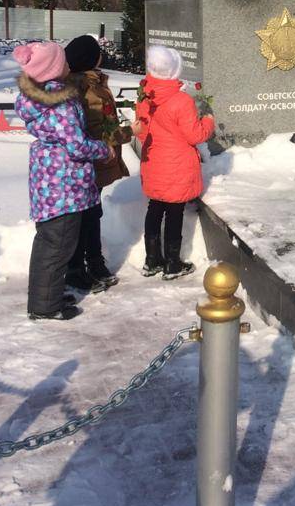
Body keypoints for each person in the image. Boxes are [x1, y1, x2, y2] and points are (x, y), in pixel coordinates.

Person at [13, 42, 114, 320]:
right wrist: (104, 150)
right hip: (64, 184)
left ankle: (47, 295)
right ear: (54, 69)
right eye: (63, 62)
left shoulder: (38, 97)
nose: (69, 64)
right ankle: (46, 306)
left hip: (49, 180)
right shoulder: (60, 101)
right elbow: (77, 144)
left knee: (49, 242)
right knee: (57, 246)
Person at [133, 45, 215, 279]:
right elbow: (195, 135)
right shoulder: (181, 100)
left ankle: (151, 260)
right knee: (175, 212)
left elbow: (142, 131)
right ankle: (172, 263)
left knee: (155, 207)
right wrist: (208, 120)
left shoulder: (145, 96)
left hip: (154, 162)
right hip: (177, 165)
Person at [64, 34, 131, 292]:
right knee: (85, 216)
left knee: (93, 213)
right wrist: (125, 134)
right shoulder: (84, 88)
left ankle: (93, 261)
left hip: (99, 160)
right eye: (97, 53)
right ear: (89, 59)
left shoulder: (94, 82)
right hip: (91, 160)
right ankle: (77, 268)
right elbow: (97, 127)